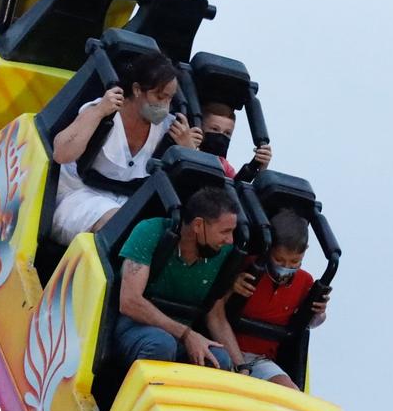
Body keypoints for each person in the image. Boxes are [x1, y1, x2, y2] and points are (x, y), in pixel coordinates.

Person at [49, 51, 201, 243]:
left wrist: (186, 151)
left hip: (128, 204)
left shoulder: (171, 130)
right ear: (137, 90)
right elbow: (61, 154)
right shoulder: (102, 110)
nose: (165, 106)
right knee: (119, 225)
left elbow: (192, 194)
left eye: (170, 99)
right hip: (78, 196)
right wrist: (99, 111)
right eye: (160, 97)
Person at [112, 186, 263, 378]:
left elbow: (215, 314)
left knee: (220, 360)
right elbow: (130, 302)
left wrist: (241, 366)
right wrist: (186, 334)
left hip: (182, 336)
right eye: (225, 231)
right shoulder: (151, 231)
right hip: (135, 328)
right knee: (161, 344)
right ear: (198, 225)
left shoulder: (222, 253)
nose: (230, 240)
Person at [225, 210, 330, 391]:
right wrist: (230, 286)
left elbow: (310, 323)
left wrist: (319, 312)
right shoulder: (248, 267)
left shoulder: (305, 282)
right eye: (279, 260)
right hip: (226, 348)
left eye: (294, 262)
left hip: (260, 359)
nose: (286, 267)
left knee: (291, 394)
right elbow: (213, 306)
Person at [196, 101, 273, 180]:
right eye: (215, 129)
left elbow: (237, 188)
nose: (221, 137)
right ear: (201, 128)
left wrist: (261, 167)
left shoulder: (224, 166)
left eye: (227, 133)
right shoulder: (191, 150)